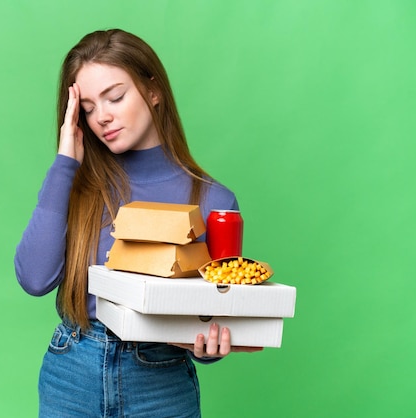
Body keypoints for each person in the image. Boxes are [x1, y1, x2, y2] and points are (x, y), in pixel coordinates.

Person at [14, 29, 262, 417]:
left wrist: (208, 348)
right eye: (90, 108)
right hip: (71, 374)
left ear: (153, 91)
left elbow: (214, 314)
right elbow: (34, 279)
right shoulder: (77, 187)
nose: (103, 117)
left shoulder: (214, 202)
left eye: (115, 97)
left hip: (159, 382)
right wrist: (65, 163)